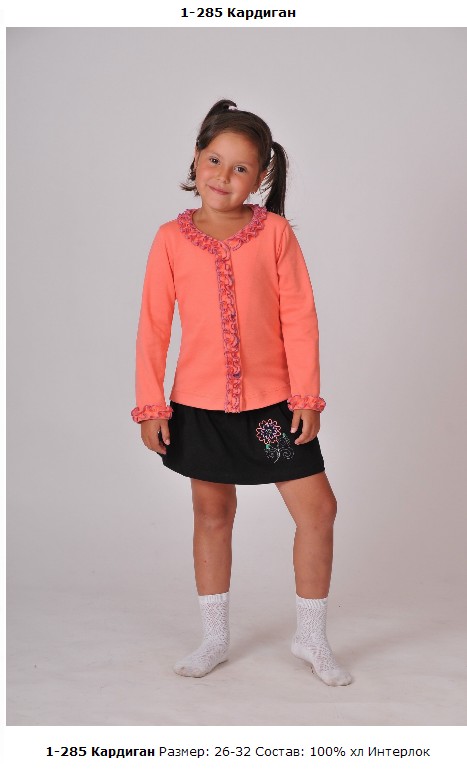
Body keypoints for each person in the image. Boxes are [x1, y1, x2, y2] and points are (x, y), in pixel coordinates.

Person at [131, 99, 352, 687]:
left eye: (240, 168)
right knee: (212, 513)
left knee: (318, 510)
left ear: (261, 177)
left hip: (271, 411)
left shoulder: (274, 234)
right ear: (196, 158)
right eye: (214, 160)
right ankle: (214, 637)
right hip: (199, 409)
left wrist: (305, 395)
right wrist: (151, 404)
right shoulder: (169, 239)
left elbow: (300, 317)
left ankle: (311, 637)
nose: (223, 176)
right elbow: (153, 326)